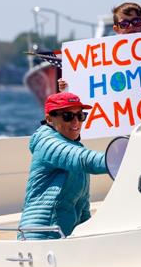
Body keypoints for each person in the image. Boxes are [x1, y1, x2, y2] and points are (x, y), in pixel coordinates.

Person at [18, 92, 108, 239]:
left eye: (80, 116)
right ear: (49, 119)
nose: (76, 122)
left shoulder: (77, 148)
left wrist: (89, 234)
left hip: (63, 238)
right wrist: (123, 159)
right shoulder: (47, 143)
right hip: (40, 237)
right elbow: (85, 160)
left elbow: (82, 204)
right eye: (67, 116)